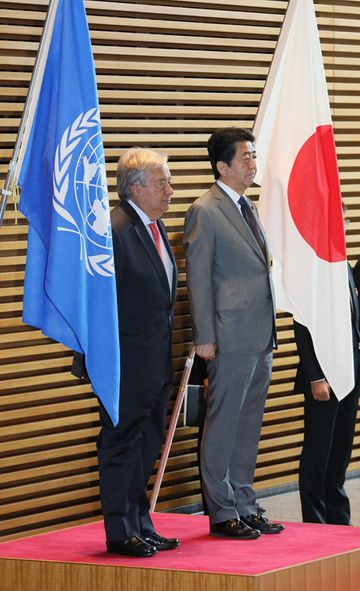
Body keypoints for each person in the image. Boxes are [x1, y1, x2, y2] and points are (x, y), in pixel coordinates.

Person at [74, 147, 179, 557]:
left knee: (145, 445)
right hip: (123, 364)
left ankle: (141, 524)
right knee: (120, 447)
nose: (170, 190)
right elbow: (96, 303)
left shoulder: (154, 226)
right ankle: (120, 532)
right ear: (135, 188)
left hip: (154, 363)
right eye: (162, 183)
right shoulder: (113, 229)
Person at [183, 127, 284, 538]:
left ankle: (244, 501)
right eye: (244, 157)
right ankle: (222, 511)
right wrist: (204, 336)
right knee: (224, 426)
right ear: (222, 166)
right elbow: (199, 278)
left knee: (248, 425)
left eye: (253, 156)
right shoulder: (205, 210)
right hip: (226, 337)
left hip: (259, 335)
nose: (252, 163)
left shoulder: (248, 207)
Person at [294, 215, 360, 525]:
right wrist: (315, 375)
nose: (342, 222)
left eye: (344, 217)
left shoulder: (343, 263)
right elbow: (303, 325)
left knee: (341, 448)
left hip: (349, 370)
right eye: (338, 216)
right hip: (324, 375)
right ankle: (316, 520)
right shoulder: (313, 266)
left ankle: (337, 518)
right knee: (318, 450)